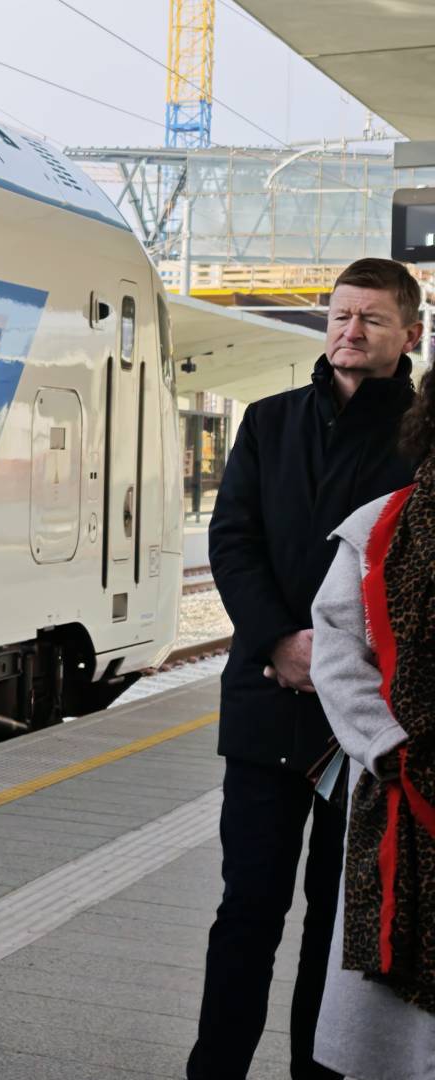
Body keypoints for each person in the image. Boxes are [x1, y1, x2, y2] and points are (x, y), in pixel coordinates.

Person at [190, 258, 424, 1080]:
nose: (349, 332)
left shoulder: (422, 437)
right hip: (266, 706)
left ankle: (312, 1073)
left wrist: (334, 667)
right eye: (338, 316)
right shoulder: (268, 421)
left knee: (337, 922)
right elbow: (233, 542)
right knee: (246, 910)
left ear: (411, 334)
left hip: (363, 732)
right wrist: (280, 642)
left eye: (371, 319)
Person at [310, 361, 435, 1079]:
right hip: (400, 788)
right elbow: (338, 653)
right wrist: (388, 747)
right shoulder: (378, 527)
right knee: (396, 1033)